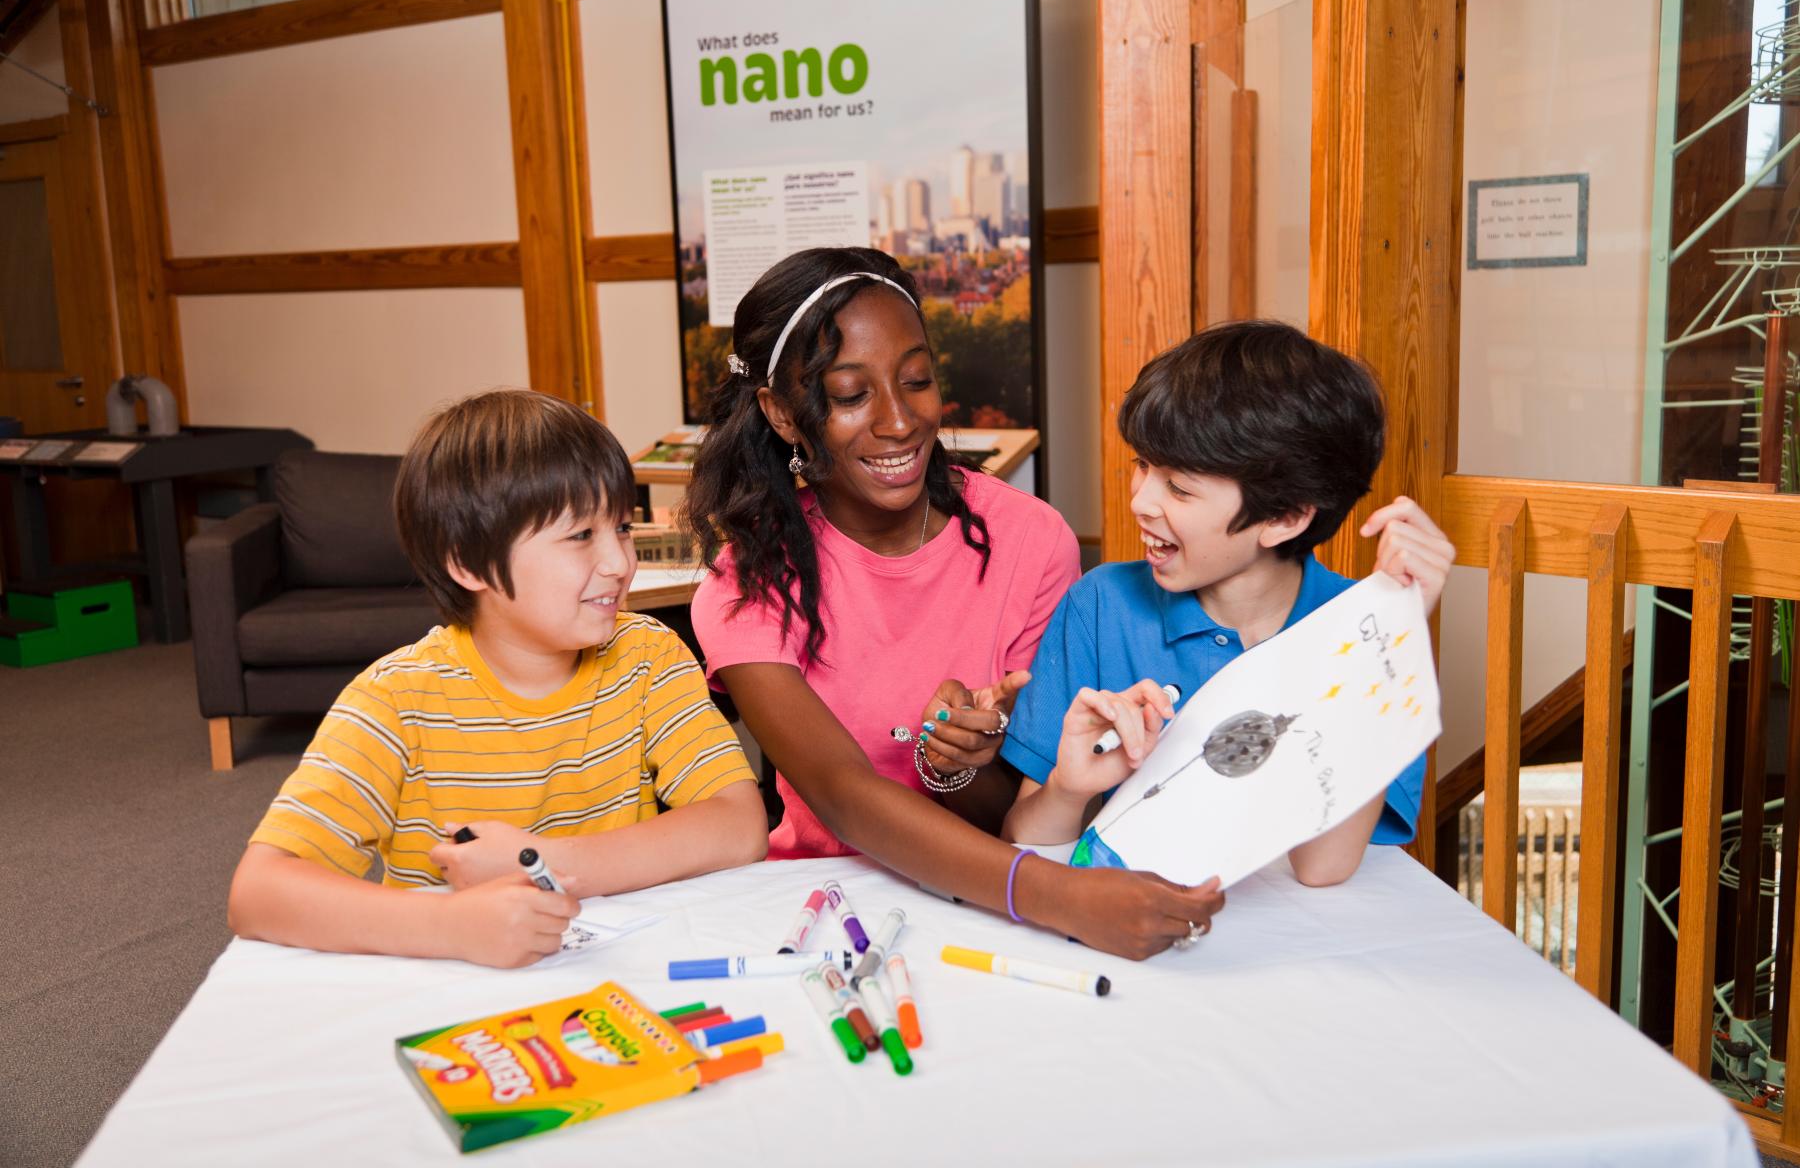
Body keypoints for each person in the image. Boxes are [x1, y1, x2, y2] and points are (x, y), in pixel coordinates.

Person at [685, 246, 1224, 959]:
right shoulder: (748, 580)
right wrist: (1058, 898)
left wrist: (960, 765)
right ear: (783, 416)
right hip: (825, 912)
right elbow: (843, 798)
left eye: (917, 381)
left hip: (991, 894)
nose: (900, 421)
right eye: (851, 396)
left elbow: (1026, 806)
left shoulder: (1030, 541)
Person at [228, 389, 766, 968]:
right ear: (466, 561)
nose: (619, 562)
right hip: (453, 995)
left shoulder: (647, 658)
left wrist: (545, 861)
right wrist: (450, 926)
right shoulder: (395, 700)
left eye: (622, 528)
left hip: (613, 980)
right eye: (581, 536)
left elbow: (739, 825)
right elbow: (258, 893)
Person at [999, 321, 1453, 887]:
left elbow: (1322, 869)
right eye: (1143, 465)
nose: (1140, 500)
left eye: (1180, 488)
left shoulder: (1362, 642)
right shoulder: (1099, 607)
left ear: (1285, 517)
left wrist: (1390, 629)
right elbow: (1026, 843)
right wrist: (1069, 788)